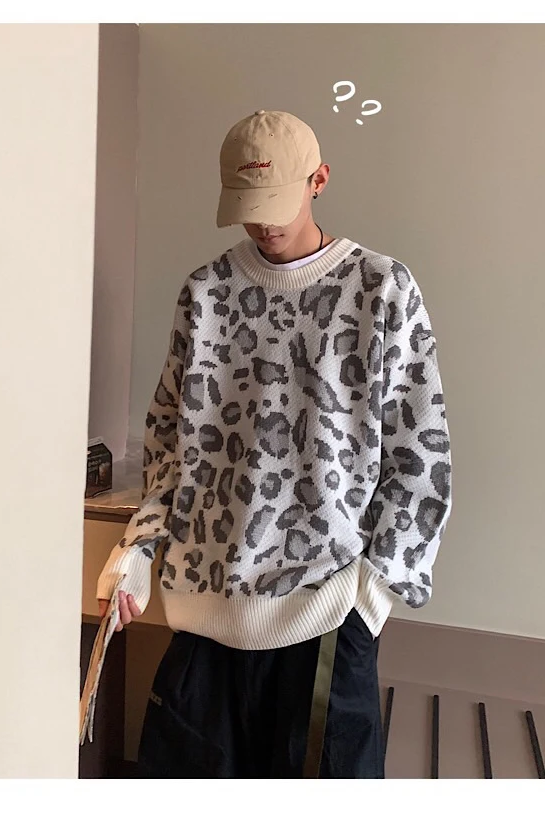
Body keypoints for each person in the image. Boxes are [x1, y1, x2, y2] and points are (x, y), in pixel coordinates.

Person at [96, 109, 453, 778]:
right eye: (247, 206)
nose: (263, 224)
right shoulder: (207, 293)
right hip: (205, 610)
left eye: (276, 202)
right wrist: (138, 549)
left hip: (326, 613)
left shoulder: (379, 289)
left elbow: (420, 455)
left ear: (320, 179)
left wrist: (373, 592)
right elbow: (169, 439)